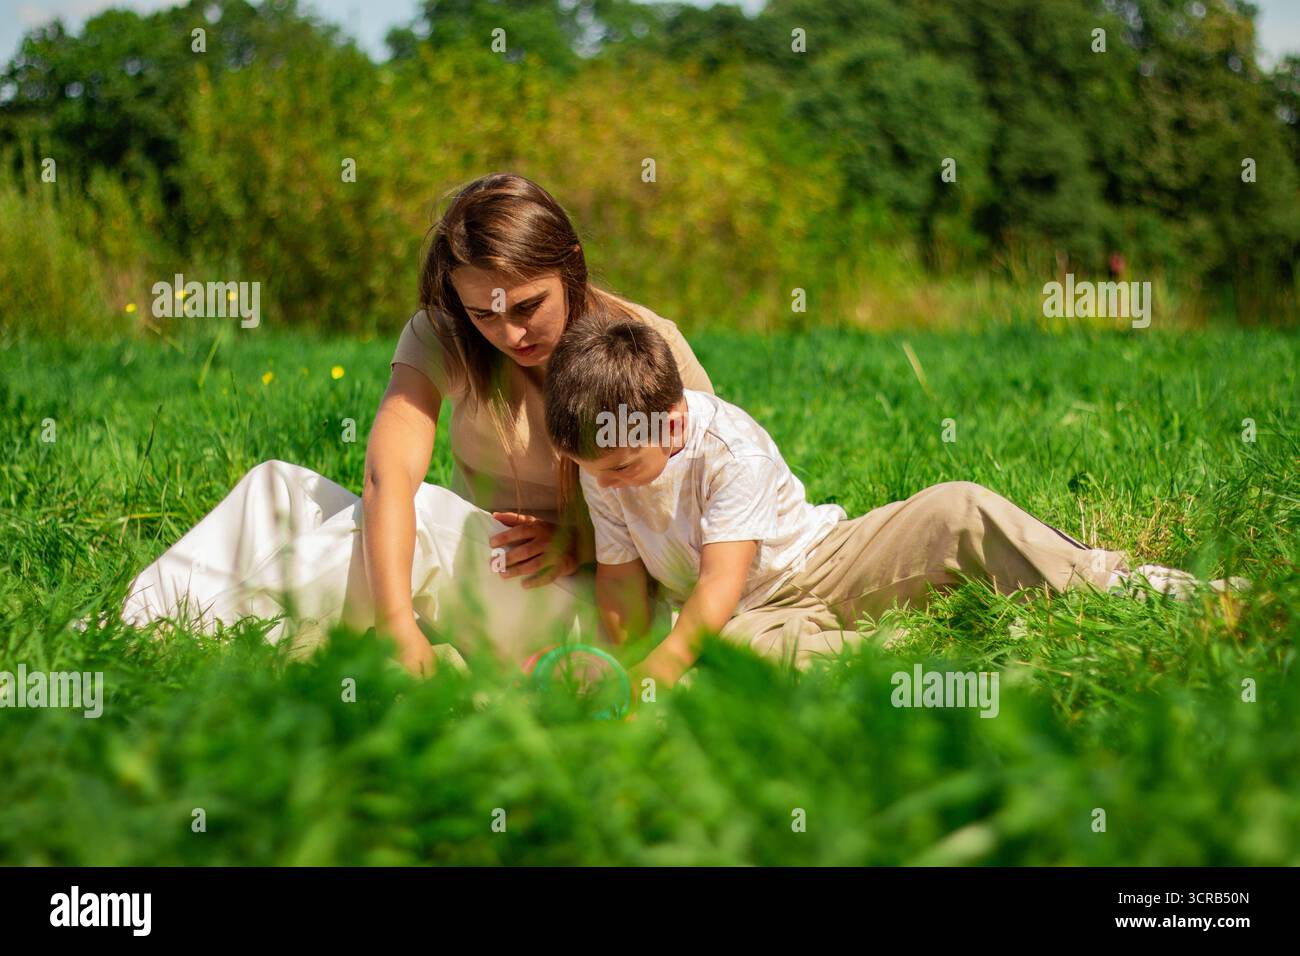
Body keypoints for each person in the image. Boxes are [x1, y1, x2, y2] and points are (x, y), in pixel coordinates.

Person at [114, 173, 715, 674]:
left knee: (421, 521)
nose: (510, 334)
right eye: (484, 314)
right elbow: (387, 478)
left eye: (528, 306)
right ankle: (119, 630)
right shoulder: (444, 334)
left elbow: (706, 519)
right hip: (490, 572)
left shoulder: (645, 347)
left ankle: (184, 655)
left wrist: (578, 541)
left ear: (572, 265)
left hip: (602, 611)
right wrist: (399, 623)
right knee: (278, 488)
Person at [541, 306, 1250, 691]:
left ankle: (1131, 590)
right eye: (592, 469)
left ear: (667, 420)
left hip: (824, 562)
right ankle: (928, 650)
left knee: (957, 508)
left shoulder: (727, 447)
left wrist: (658, 673)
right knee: (727, 653)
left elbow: (723, 580)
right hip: (745, 618)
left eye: (623, 466)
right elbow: (621, 581)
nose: (607, 481)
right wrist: (620, 663)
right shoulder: (605, 464)